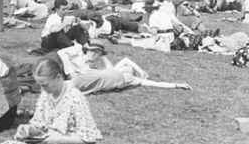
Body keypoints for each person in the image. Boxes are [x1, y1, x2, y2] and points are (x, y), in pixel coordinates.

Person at [55, 43, 192, 95]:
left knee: (72, 86)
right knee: (73, 84)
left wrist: (176, 85)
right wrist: (140, 70)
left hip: (97, 80)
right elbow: (126, 60)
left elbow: (155, 84)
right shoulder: (116, 70)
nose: (126, 67)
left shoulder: (132, 79)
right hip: (95, 77)